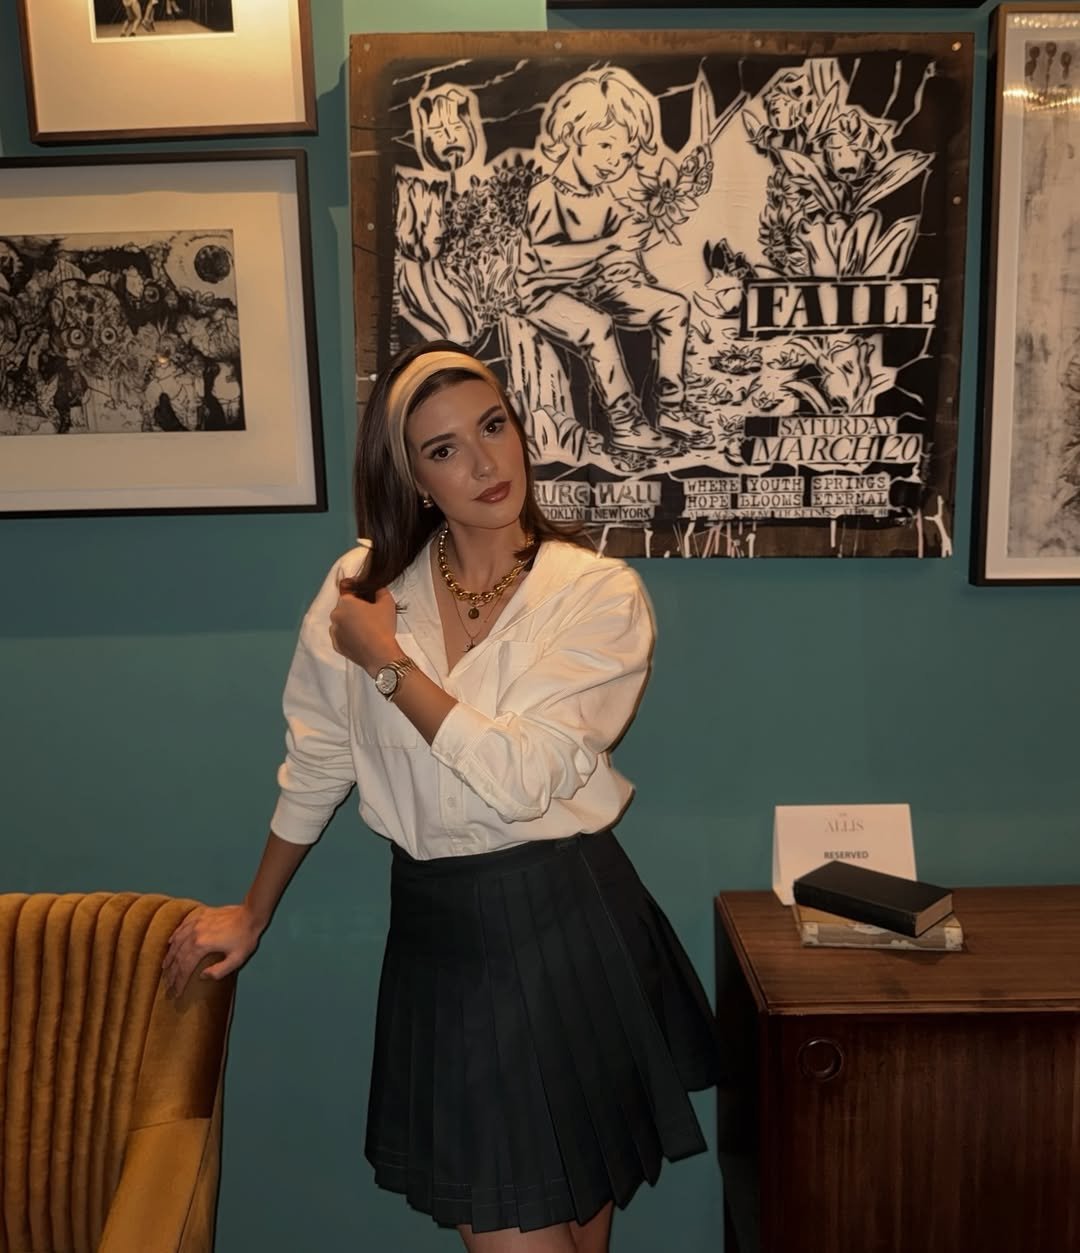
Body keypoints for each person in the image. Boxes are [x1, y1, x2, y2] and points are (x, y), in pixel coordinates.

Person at [163, 340, 719, 1251]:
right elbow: (320, 754)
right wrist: (253, 911)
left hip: (572, 923)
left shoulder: (593, 593)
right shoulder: (361, 587)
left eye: (493, 426)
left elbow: (520, 778)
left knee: (576, 1230)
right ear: (413, 476)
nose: (486, 462)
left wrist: (388, 663)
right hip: (444, 940)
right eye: (444, 448)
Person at [516, 68, 712, 455]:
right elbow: (548, 261)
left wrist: (629, 260)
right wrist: (611, 246)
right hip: (544, 294)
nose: (615, 162)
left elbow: (620, 253)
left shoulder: (605, 197)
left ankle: (672, 407)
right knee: (596, 325)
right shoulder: (546, 194)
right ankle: (626, 423)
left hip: (596, 286)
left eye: (625, 155)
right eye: (605, 145)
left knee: (673, 307)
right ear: (572, 134)